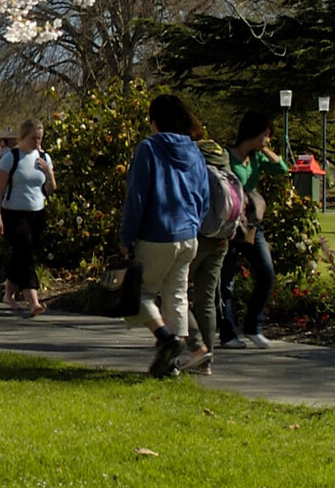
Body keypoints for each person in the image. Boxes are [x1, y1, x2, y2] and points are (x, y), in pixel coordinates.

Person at [120, 94, 209, 375]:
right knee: (177, 296)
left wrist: (127, 236)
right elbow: (204, 195)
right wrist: (194, 223)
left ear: (154, 120)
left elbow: (136, 196)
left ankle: (165, 338)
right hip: (188, 233)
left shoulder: (149, 148)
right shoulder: (194, 151)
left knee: (138, 294)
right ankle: (170, 362)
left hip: (157, 232)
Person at [220, 111, 288, 350]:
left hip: (250, 224)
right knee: (225, 281)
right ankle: (228, 334)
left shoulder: (257, 159)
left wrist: (264, 150)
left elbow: (282, 168)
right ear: (254, 132)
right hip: (229, 224)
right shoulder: (227, 156)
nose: (268, 140)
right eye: (266, 135)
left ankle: (253, 326)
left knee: (266, 273)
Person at [181, 122, 233, 373]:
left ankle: (196, 347)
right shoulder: (220, 155)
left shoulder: (194, 155)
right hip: (222, 235)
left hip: (200, 235)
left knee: (174, 290)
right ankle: (206, 362)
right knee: (207, 300)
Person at [0, 117, 56, 317]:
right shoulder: (12, 158)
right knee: (25, 254)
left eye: (40, 138)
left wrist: (48, 172)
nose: (37, 142)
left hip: (37, 212)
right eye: (33, 138)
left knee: (22, 255)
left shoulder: (44, 157)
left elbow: (51, 188)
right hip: (14, 212)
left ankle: (8, 294)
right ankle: (33, 301)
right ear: (23, 136)